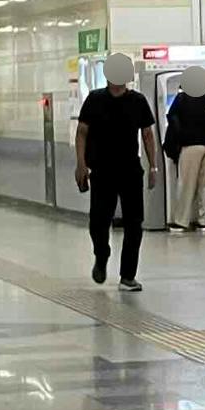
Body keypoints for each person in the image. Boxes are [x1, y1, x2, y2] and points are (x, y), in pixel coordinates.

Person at [73, 52, 155, 289]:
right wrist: (81, 164)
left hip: (130, 170)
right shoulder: (95, 99)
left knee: (134, 223)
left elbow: (148, 135)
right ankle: (102, 254)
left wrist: (154, 167)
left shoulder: (137, 101)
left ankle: (127, 276)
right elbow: (82, 132)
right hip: (101, 170)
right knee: (98, 221)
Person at [162, 65, 205, 231]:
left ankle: (181, 221)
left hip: (190, 147)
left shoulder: (182, 99)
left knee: (186, 185)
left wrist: (177, 141)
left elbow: (172, 118)